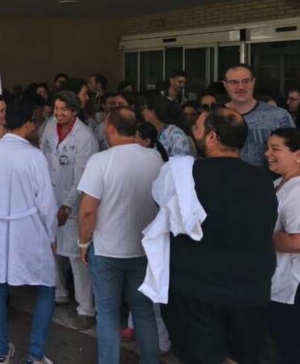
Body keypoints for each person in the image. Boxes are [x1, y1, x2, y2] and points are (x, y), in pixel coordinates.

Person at [161, 107, 278, 364]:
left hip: (195, 290)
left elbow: (164, 215)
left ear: (212, 136)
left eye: (197, 128)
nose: (193, 133)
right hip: (249, 289)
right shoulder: (262, 180)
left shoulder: (183, 176)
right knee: (244, 356)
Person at [0, 99, 58, 364]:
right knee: (45, 287)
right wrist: (52, 236)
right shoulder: (34, 156)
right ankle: (35, 354)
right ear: (29, 124)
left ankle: (1, 352)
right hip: (31, 230)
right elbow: (46, 204)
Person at [78, 107, 163, 363]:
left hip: (107, 250)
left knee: (107, 314)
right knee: (144, 311)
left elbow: (88, 211)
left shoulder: (100, 161)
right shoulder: (155, 158)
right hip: (144, 248)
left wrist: (83, 243)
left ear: (111, 128)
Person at [40, 90, 98, 328]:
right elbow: (43, 157)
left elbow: (83, 177)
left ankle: (86, 308)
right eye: (56, 108)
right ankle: (59, 292)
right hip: (49, 198)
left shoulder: (85, 137)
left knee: (76, 257)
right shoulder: (49, 127)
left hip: (72, 204)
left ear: (75, 111)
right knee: (51, 248)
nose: (59, 113)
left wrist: (67, 205)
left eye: (64, 109)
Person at [265, 128, 300, 363]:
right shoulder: (278, 183)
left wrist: (260, 238)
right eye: (267, 148)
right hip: (276, 282)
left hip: (292, 285)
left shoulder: (298, 190)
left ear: (298, 155)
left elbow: (298, 240)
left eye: (275, 149)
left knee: (290, 349)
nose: (267, 153)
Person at [222, 63, 296, 168]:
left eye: (246, 81)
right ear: (225, 85)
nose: (241, 87)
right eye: (234, 82)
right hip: (224, 177)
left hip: (271, 178)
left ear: (253, 82)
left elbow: (293, 155)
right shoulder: (212, 117)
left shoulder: (279, 116)